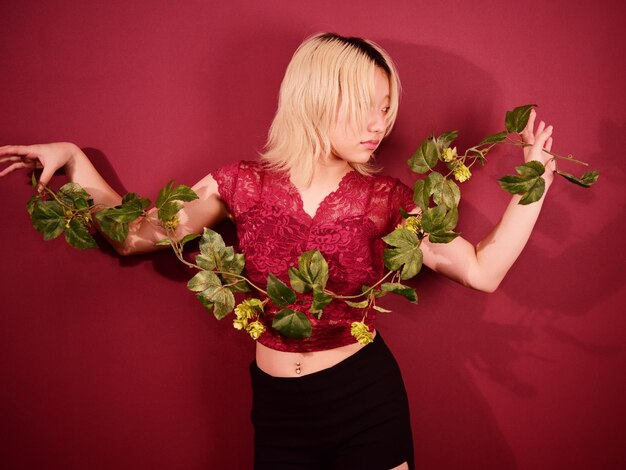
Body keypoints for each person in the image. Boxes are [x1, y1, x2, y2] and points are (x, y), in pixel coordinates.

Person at [0, 32, 555, 470]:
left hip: (364, 397)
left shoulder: (385, 199)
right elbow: (131, 236)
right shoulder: (239, 184)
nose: (379, 123)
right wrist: (75, 161)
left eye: (385, 107)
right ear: (314, 98)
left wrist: (535, 185)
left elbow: (481, 271)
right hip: (277, 410)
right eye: (365, 104)